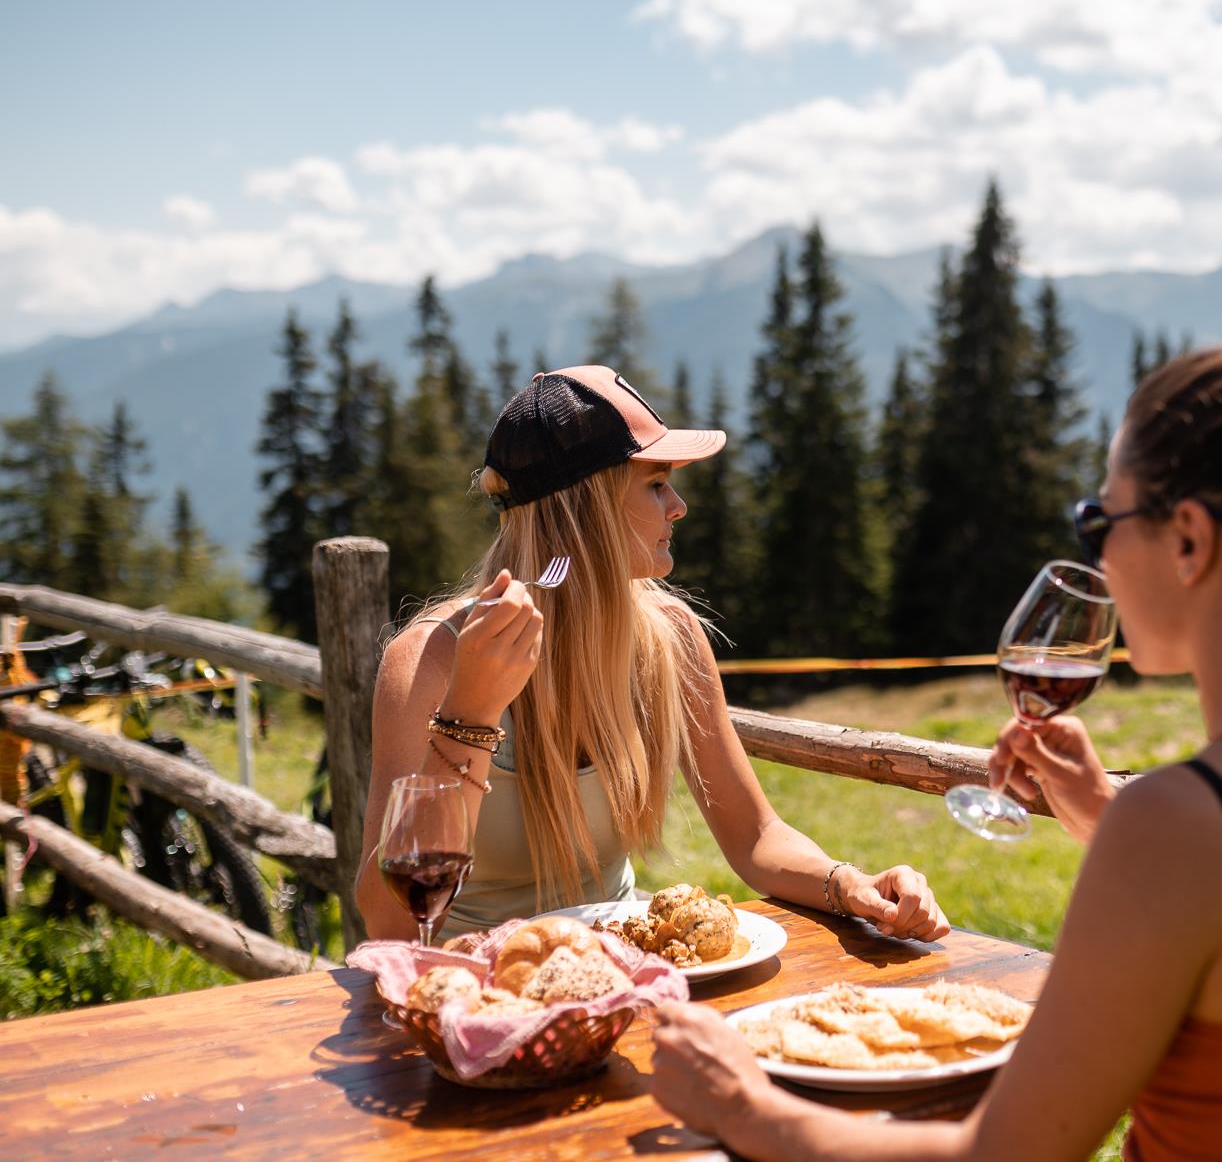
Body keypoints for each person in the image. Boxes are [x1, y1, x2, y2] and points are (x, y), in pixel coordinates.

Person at [651, 291, 1222, 1160]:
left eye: (1101, 520)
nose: (1095, 557)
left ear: (1191, 542)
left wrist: (744, 1106)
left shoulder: (1189, 823)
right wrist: (1103, 813)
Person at [354, 365, 949, 946]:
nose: (679, 506)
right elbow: (389, 921)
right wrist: (472, 712)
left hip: (616, 972)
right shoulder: (431, 659)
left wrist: (849, 885)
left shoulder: (670, 636)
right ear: (586, 505)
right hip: (468, 989)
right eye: (656, 483)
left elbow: (756, 835)